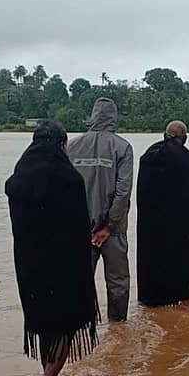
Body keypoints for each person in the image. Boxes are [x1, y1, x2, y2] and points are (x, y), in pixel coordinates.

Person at [5, 120, 101, 376]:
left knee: (45, 326)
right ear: (62, 145)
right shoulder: (69, 180)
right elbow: (78, 227)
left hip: (29, 268)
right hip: (64, 267)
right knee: (66, 326)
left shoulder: (18, 181)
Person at [67, 98, 133, 322]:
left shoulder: (72, 146)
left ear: (92, 117)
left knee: (80, 279)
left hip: (79, 228)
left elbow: (65, 188)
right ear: (114, 118)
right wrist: (109, 227)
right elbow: (123, 193)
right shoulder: (122, 147)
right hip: (113, 230)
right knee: (118, 281)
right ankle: (118, 328)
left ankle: (81, 326)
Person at [136, 121, 189, 306]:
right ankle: (182, 294)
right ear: (185, 139)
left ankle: (152, 298)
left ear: (164, 135)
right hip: (181, 225)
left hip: (151, 224)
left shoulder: (149, 156)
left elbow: (142, 195)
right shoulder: (188, 159)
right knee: (181, 258)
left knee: (153, 259)